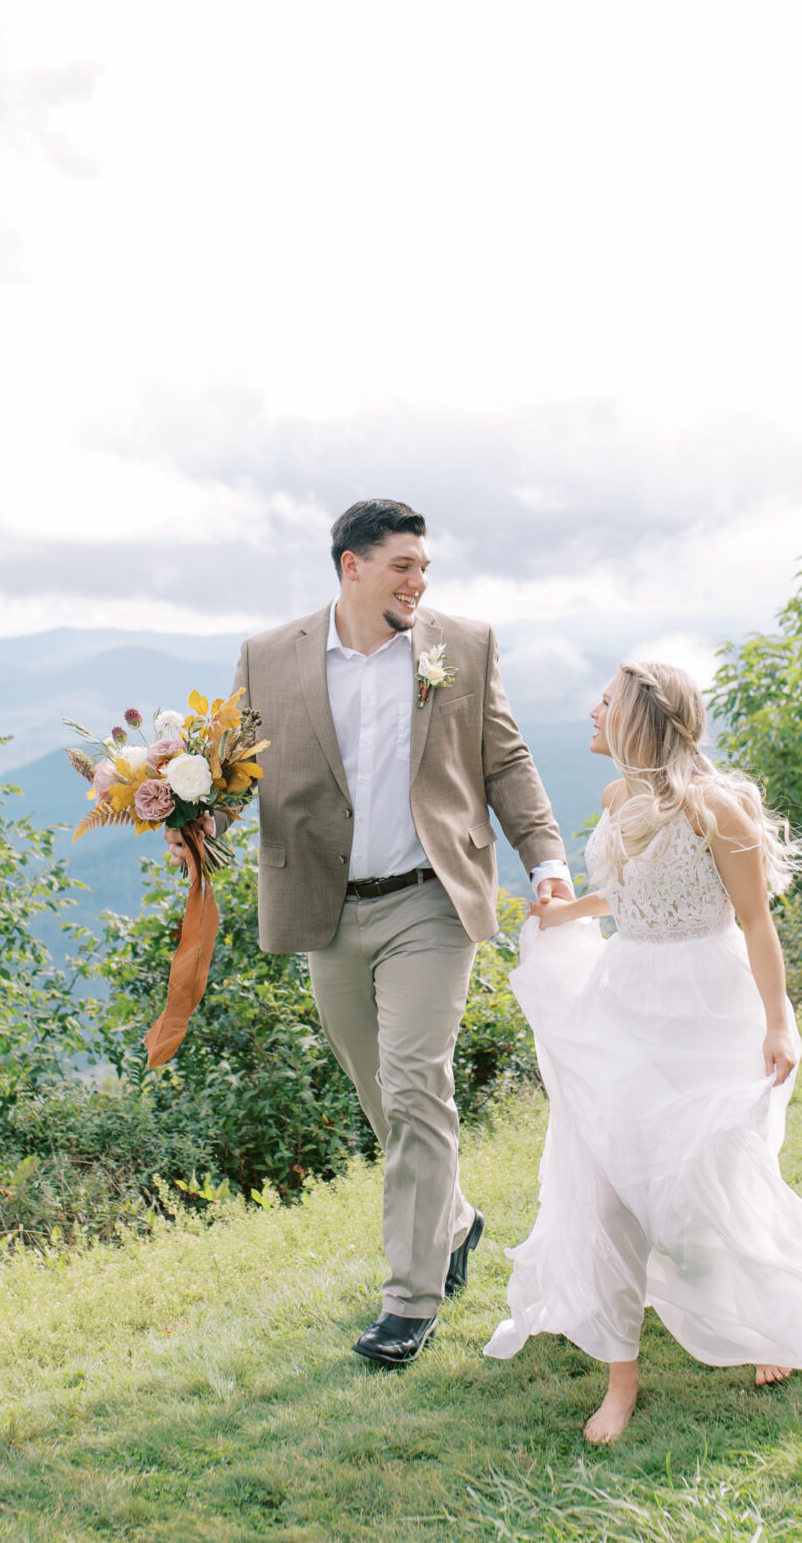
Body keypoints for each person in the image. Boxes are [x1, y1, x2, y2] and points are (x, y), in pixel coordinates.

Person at [483, 659, 802, 1442]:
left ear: (640, 718)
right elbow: (635, 895)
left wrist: (782, 1021)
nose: (592, 711)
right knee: (606, 1180)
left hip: (707, 1005)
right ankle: (621, 1379)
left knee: (705, 1178)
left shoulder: (718, 807)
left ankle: (768, 1320)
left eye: (604, 702)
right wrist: (574, 913)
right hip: (625, 999)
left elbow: (754, 921)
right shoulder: (613, 798)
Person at [170, 499, 573, 1369]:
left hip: (433, 899)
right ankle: (453, 1219)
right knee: (382, 1096)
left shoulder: (460, 645)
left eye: (424, 568)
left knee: (415, 1082)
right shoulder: (267, 657)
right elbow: (235, 773)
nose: (418, 582)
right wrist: (192, 817)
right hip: (327, 909)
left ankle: (409, 1301)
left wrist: (545, 859)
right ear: (351, 566)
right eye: (402, 567)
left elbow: (505, 760)